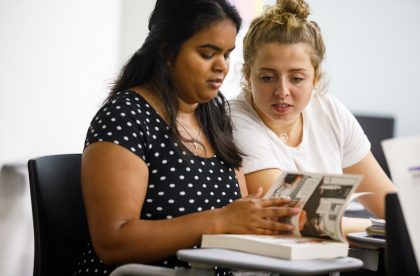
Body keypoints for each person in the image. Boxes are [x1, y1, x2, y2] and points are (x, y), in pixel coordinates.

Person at [75, 1, 299, 275]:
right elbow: (113, 242)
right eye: (208, 54)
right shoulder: (125, 117)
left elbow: (238, 211)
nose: (222, 67)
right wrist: (221, 220)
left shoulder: (214, 115)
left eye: (226, 55)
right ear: (167, 53)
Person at [229, 0, 396, 234]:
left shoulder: (330, 112)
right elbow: (293, 219)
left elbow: (390, 203)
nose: (282, 91)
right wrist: (390, 229)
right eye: (268, 78)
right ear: (247, 75)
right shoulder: (234, 119)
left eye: (296, 78)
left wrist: (401, 223)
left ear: (315, 78)